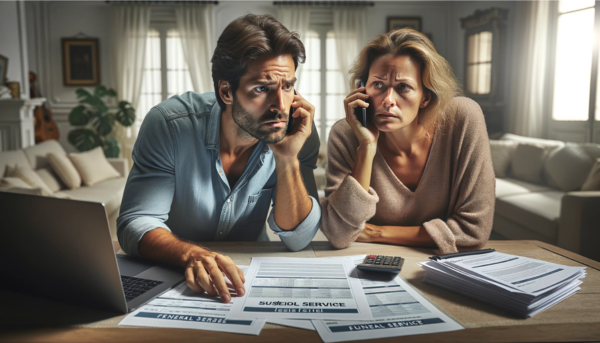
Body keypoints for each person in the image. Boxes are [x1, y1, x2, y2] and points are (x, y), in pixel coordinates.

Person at [117, 14, 321, 303]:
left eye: (287, 86)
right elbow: (136, 221)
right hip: (175, 274)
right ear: (226, 91)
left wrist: (287, 159)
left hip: (250, 279)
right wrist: (190, 254)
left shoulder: (299, 131)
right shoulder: (169, 125)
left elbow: (298, 238)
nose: (281, 106)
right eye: (262, 89)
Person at [320, 28, 495, 254]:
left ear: (425, 97)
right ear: (362, 90)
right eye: (378, 85)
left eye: (403, 87)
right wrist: (366, 147)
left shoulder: (462, 119)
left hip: (441, 267)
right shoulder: (346, 134)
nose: (388, 100)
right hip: (370, 264)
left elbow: (473, 233)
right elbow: (338, 234)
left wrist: (376, 232)